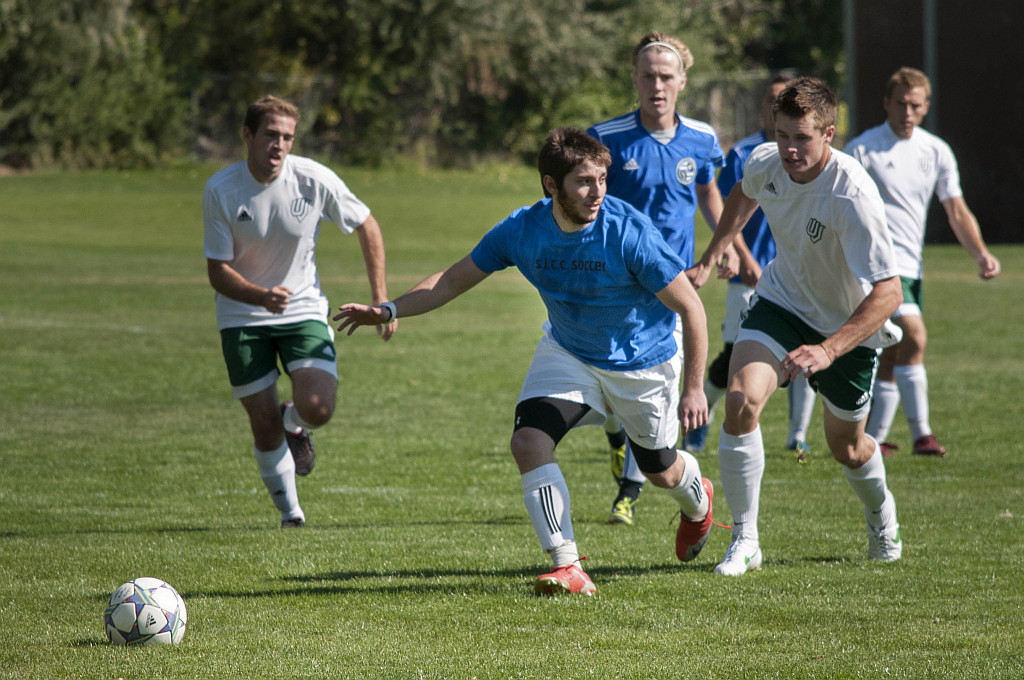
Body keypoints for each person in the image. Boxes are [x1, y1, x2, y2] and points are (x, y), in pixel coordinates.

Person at [335, 127, 713, 596]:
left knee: (660, 470)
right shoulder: (522, 229)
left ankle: (699, 503)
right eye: (583, 181)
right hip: (570, 351)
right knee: (529, 441)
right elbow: (452, 281)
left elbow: (691, 308)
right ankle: (567, 564)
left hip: (643, 362)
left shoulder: (629, 231)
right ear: (551, 185)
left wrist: (694, 387)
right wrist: (389, 309)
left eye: (601, 179)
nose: (597, 192)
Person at [690, 77, 905, 576]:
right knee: (741, 402)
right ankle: (745, 539)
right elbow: (743, 195)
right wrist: (715, 251)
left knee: (846, 449)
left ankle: (881, 514)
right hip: (781, 303)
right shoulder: (766, 160)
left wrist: (828, 350)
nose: (789, 148)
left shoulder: (851, 195)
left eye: (802, 137)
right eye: (782, 134)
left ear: (829, 133)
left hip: (847, 328)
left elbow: (889, 293)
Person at [203, 95, 395, 528]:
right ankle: (292, 514)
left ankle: (296, 422)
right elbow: (217, 272)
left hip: (302, 308)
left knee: (318, 408)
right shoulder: (221, 189)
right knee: (262, 422)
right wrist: (259, 296)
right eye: (270, 135)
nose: (280, 145)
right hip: (241, 316)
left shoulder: (313, 179)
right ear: (247, 135)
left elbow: (367, 224)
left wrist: (381, 299)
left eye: (287, 137)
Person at [587, 31, 731, 526]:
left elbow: (710, 195)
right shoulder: (605, 139)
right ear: (634, 78)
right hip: (613, 285)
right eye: (647, 75)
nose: (656, 84)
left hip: (671, 286)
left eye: (665, 76)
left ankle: (630, 487)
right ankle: (616, 440)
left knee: (653, 391)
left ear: (682, 81)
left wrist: (722, 248)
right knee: (610, 396)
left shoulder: (703, 139)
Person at [846, 67, 1001, 458]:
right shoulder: (863, 149)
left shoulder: (935, 151)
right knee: (913, 335)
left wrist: (980, 253)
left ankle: (877, 438)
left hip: (910, 267)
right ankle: (922, 435)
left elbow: (957, 210)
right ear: (886, 102)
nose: (907, 111)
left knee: (892, 348)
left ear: (926, 106)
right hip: (871, 265)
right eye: (900, 103)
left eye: (915, 105)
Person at [683, 74, 818, 461]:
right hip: (750, 274)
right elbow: (730, 211)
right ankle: (697, 425)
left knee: (804, 356)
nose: (778, 108)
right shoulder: (745, 154)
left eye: (786, 101)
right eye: (773, 101)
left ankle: (797, 435)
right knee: (733, 357)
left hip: (798, 279)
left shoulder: (810, 158)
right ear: (765, 107)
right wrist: (743, 257)